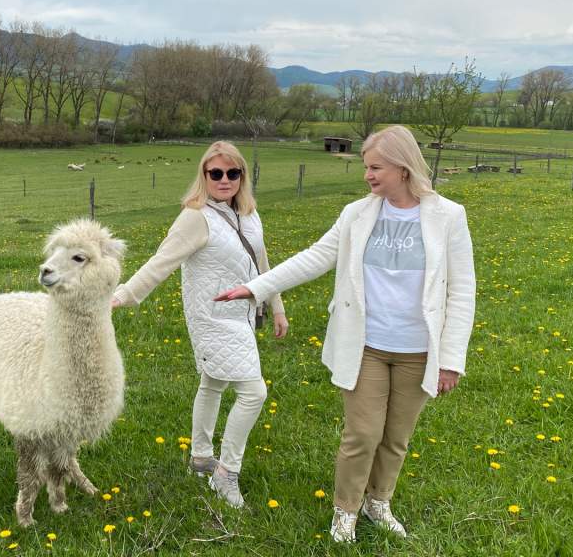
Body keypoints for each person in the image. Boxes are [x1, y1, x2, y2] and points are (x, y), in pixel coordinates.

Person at [216, 125, 475, 542]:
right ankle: (346, 511)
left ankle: (379, 502)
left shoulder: (448, 216)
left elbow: (463, 291)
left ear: (403, 167)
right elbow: (316, 257)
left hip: (418, 350)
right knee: (363, 434)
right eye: (366, 167)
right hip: (366, 346)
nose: (368, 176)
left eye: (376, 167)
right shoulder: (358, 214)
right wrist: (258, 287)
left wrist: (450, 359)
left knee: (395, 439)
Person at [112, 140, 289, 508]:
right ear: (204, 176)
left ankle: (201, 457)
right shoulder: (195, 216)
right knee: (254, 393)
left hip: (240, 316)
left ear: (242, 176)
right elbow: (161, 261)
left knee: (213, 382)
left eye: (232, 173)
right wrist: (124, 294)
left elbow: (263, 264)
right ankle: (226, 474)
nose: (225, 180)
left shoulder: (249, 214)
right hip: (211, 318)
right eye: (216, 173)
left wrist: (277, 307)